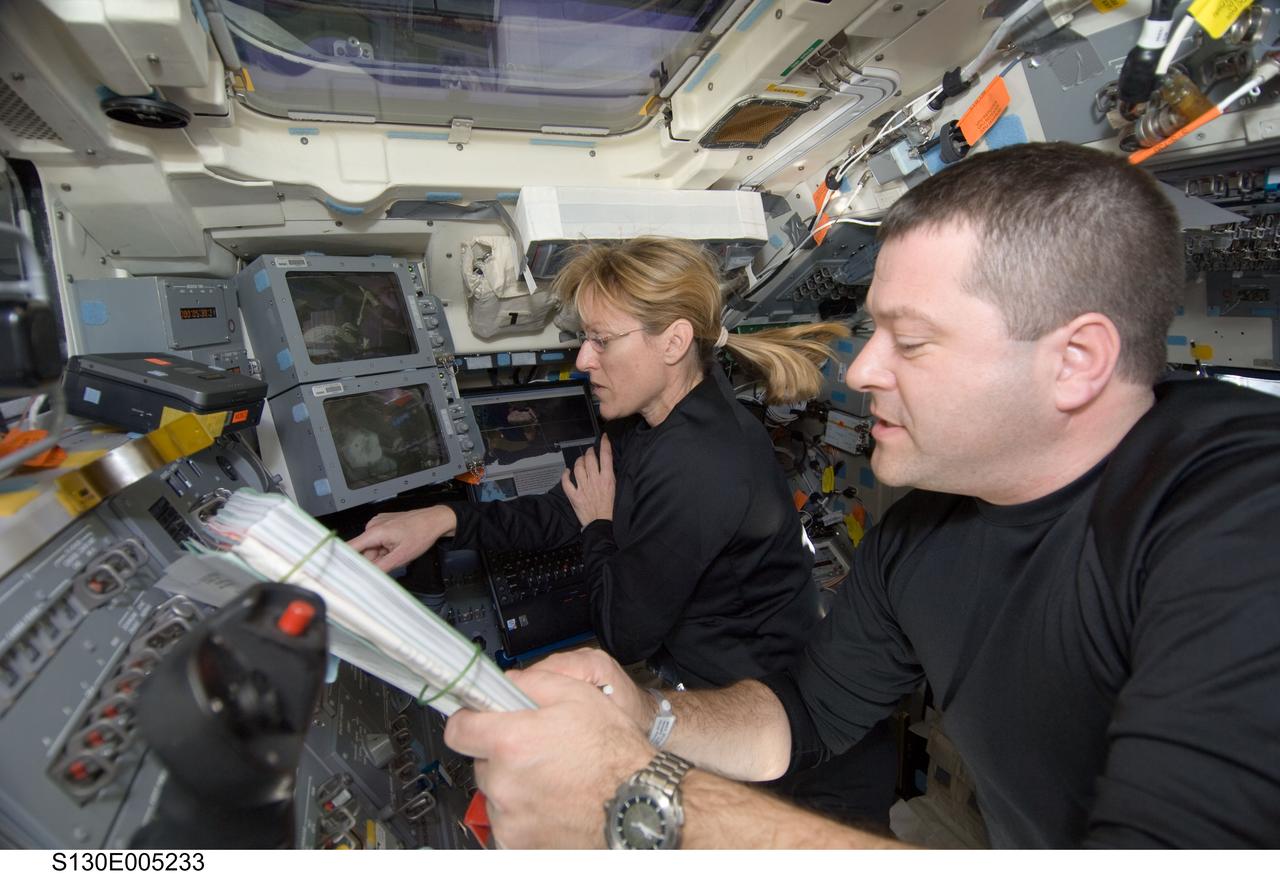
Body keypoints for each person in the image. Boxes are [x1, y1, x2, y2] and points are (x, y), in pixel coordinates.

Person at [441, 142, 1280, 849]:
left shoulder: (1241, 517)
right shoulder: (921, 535)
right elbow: (803, 715)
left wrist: (640, 799)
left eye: (908, 341)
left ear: (1076, 361)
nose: (865, 369)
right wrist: (645, 715)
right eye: (874, 330)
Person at [349, 238, 898, 826]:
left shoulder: (700, 463)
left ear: (674, 342)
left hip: (798, 758)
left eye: (602, 341)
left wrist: (599, 527)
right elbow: (567, 505)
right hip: (736, 709)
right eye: (583, 339)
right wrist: (445, 519)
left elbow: (624, 634)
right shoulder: (647, 420)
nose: (584, 360)